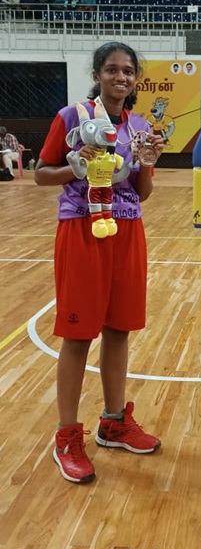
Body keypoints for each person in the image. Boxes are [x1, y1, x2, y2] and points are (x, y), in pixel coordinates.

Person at [34, 41, 165, 484]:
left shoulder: (140, 126)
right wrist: (76, 168)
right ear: (97, 74)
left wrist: (147, 163)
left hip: (127, 231)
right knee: (77, 335)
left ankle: (113, 422)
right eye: (112, 70)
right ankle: (67, 436)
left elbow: (141, 193)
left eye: (128, 71)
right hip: (82, 228)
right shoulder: (72, 117)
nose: (120, 77)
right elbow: (41, 173)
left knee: (119, 330)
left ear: (135, 79)